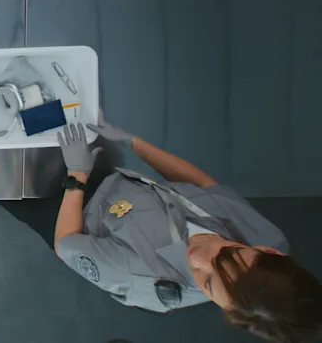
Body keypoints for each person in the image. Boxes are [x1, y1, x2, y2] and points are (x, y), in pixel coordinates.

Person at [44, 119, 322, 343]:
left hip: (64, 208)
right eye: (225, 255)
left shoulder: (144, 278)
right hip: (114, 177)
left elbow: (66, 243)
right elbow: (205, 186)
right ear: (268, 251)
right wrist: (133, 143)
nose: (198, 258)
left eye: (208, 284)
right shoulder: (266, 236)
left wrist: (77, 176)